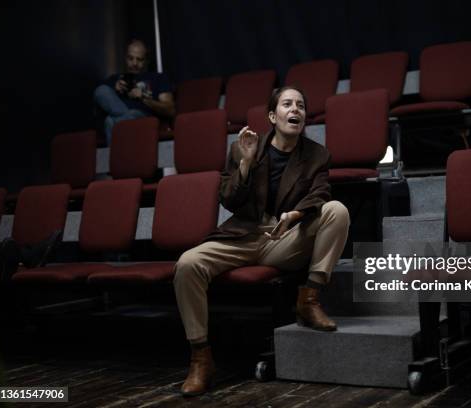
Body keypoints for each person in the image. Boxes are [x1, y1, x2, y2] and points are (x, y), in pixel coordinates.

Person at [173, 86, 350, 396]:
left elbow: (321, 194)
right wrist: (244, 163)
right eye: (287, 104)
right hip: (242, 235)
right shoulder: (244, 147)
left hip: (283, 239)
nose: (295, 110)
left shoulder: (317, 155)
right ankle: (201, 357)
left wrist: (295, 215)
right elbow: (229, 200)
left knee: (337, 211)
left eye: (300, 105)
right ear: (273, 115)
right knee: (188, 264)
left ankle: (308, 299)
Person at [93, 39, 175, 145]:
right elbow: (97, 102)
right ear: (125, 58)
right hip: (120, 119)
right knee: (101, 91)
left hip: (142, 118)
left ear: (146, 60)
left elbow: (170, 110)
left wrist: (144, 98)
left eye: (139, 59)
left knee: (111, 121)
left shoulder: (157, 78)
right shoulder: (114, 79)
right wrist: (114, 88)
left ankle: (116, 161)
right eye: (130, 58)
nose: (134, 63)